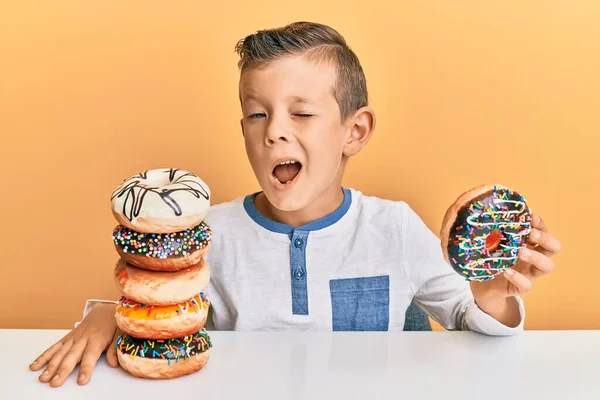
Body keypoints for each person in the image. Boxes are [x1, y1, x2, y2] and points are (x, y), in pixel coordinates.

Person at [29, 21, 562, 387]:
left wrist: (492, 295)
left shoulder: (393, 228)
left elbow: (478, 332)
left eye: (301, 114)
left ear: (355, 131)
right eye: (257, 115)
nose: (274, 133)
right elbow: (157, 311)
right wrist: (109, 316)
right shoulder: (207, 234)